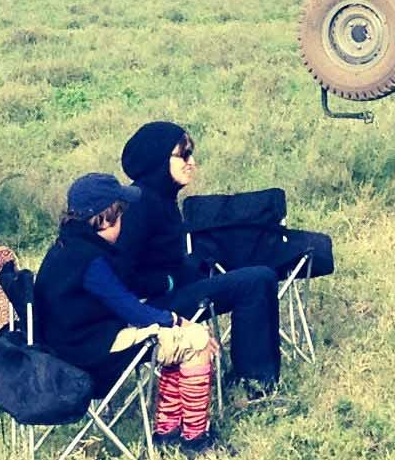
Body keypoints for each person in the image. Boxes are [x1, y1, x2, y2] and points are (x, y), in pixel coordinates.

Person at [30, 172, 222, 454]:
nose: (123, 223)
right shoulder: (92, 260)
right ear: (104, 219)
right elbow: (130, 308)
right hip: (88, 354)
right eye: (120, 216)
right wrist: (177, 321)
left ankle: (168, 431)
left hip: (65, 346)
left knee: (171, 339)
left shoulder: (65, 247)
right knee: (196, 340)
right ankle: (194, 439)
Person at [118, 120, 282, 393]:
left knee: (247, 275)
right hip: (147, 308)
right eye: (183, 155)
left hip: (167, 294)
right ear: (158, 160)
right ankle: (253, 382)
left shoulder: (162, 199)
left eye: (191, 154)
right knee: (257, 280)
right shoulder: (139, 205)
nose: (191, 162)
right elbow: (122, 274)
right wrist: (167, 282)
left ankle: (254, 375)